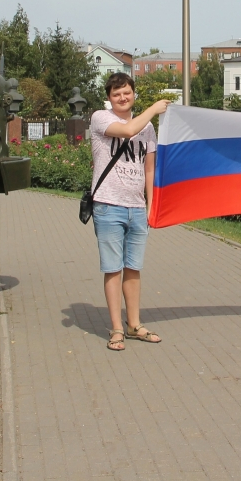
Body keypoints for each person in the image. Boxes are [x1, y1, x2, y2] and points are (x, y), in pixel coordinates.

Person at [89, 72, 170, 351]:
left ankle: (134, 324)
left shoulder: (148, 130)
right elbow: (126, 131)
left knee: (133, 268)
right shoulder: (101, 118)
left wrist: (151, 205)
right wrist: (154, 109)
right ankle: (116, 329)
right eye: (116, 94)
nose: (122, 98)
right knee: (112, 269)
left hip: (136, 208)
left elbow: (149, 169)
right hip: (108, 205)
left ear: (134, 94)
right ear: (109, 98)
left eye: (127, 92)